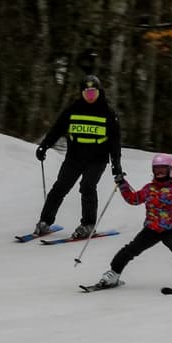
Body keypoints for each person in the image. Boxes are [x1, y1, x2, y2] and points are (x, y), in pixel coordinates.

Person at [94, 153, 172, 289]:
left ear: (171, 170)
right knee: (130, 250)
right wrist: (123, 184)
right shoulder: (149, 188)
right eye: (156, 169)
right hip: (150, 230)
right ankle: (113, 273)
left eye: (163, 169)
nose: (159, 172)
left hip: (169, 230)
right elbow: (134, 199)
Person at [33, 75, 123, 238]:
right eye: (87, 92)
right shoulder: (72, 110)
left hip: (97, 160)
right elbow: (57, 129)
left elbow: (115, 142)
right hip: (74, 158)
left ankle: (88, 225)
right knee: (60, 187)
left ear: (99, 92)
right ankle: (45, 222)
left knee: (87, 186)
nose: (90, 96)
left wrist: (116, 164)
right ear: (81, 93)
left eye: (93, 92)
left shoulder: (108, 113)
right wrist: (44, 146)